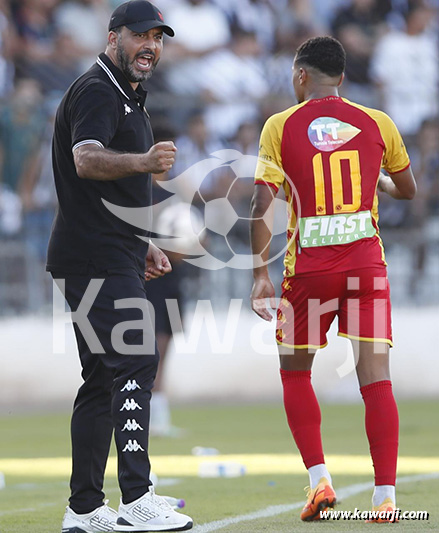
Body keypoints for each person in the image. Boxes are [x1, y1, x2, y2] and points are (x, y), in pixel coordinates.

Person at [250, 36, 416, 522]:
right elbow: (407, 188)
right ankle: (385, 497)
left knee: (295, 371)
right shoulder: (377, 122)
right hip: (366, 265)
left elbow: (262, 204)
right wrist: (379, 180)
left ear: (301, 75)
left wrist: (260, 274)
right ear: (342, 78)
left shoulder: (280, 126)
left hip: (308, 270)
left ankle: (319, 479)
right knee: (376, 381)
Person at [46, 1, 193, 532]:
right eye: (140, 36)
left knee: (103, 377)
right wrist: (143, 161)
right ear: (114, 38)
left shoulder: (127, 95)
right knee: (135, 360)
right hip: (94, 256)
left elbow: (111, 187)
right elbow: (87, 159)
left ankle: (84, 509)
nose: (151, 45)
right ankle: (137, 496)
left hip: (109, 249)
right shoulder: (97, 89)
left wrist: (142, 241)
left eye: (159, 37)